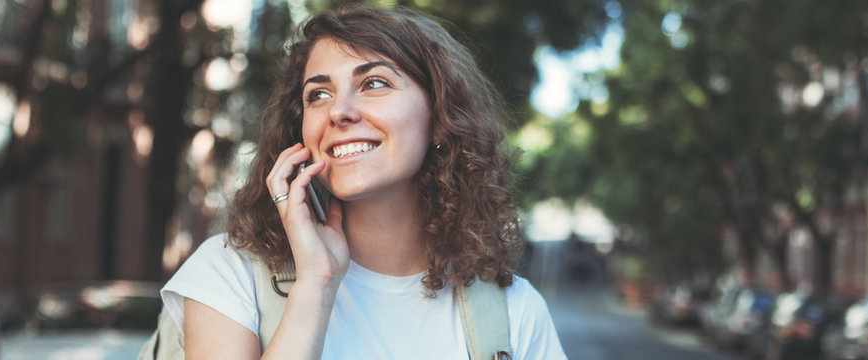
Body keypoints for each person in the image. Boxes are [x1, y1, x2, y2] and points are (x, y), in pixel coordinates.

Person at [160, 5, 566, 359]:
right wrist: (316, 285)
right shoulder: (229, 275)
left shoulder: (514, 315)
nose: (339, 111)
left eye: (374, 84)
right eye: (317, 94)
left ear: (441, 119)